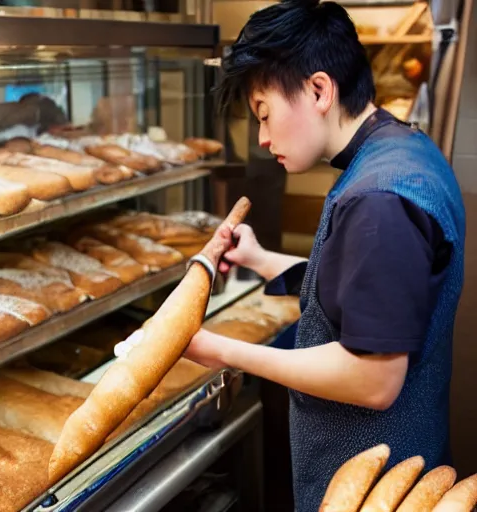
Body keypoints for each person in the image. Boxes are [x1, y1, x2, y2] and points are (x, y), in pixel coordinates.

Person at [117, 0, 466, 509]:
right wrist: (261, 259)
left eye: (264, 113)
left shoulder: (379, 199)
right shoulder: (404, 149)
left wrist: (219, 351)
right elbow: (366, 296)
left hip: (373, 488)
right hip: (396, 462)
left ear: (319, 90)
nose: (261, 137)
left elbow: (373, 378)